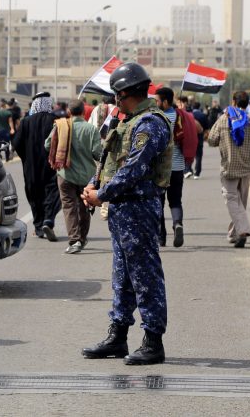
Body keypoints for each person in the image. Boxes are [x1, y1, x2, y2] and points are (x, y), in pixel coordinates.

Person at [81, 62, 172, 365]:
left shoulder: (150, 123)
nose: (113, 100)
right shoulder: (125, 121)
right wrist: (93, 185)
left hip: (139, 209)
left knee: (145, 276)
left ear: (124, 93)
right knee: (122, 277)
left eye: (116, 95)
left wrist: (101, 195)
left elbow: (133, 170)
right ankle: (118, 335)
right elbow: (107, 159)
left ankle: (153, 341)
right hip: (121, 210)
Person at [45, 100, 101, 254]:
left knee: (69, 207)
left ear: (68, 112)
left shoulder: (60, 126)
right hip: (87, 176)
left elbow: (47, 145)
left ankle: (74, 240)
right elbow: (98, 153)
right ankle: (82, 239)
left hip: (65, 174)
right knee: (85, 206)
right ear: (84, 112)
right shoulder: (91, 129)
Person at [207, 91, 250, 248]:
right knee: (240, 201)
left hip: (229, 167)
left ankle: (242, 230)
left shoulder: (224, 120)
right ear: (247, 103)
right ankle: (234, 233)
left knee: (231, 198)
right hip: (247, 167)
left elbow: (211, 140)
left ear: (233, 102)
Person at [12, 92, 61, 240]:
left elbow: (17, 143)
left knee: (35, 195)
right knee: (52, 193)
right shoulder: (56, 120)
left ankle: (39, 227)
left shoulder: (26, 122)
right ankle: (48, 220)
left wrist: (26, 158)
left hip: (31, 166)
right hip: (51, 165)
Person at [154, 87, 194, 248]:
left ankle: (161, 238)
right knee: (175, 201)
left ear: (165, 101)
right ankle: (177, 224)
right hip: (178, 167)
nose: (156, 103)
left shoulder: (157, 118)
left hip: (160, 170)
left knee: (158, 203)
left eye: (157, 101)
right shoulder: (181, 116)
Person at [189, 101, 208, 179]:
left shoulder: (189, 115)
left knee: (189, 154)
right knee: (198, 156)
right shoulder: (203, 115)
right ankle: (197, 173)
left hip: (190, 137)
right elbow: (206, 127)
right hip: (199, 137)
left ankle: (188, 170)